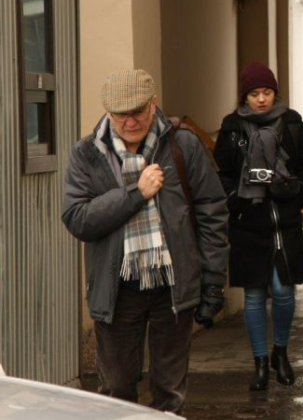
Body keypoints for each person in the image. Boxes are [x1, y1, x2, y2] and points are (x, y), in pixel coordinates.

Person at [62, 69, 229, 413]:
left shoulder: (183, 145)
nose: (130, 121)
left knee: (170, 393)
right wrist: (135, 193)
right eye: (121, 114)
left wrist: (213, 280)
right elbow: (78, 218)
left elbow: (212, 210)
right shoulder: (87, 153)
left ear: (153, 104)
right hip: (117, 289)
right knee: (117, 391)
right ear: (108, 112)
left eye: (138, 111)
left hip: (173, 285)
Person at [212, 62, 303, 392]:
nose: (261, 99)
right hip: (248, 221)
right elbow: (221, 172)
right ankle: (259, 362)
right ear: (244, 96)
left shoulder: (292, 123)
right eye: (254, 93)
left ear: (275, 93)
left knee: (284, 291)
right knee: (255, 295)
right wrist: (235, 200)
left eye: (267, 92)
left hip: (284, 220)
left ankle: (280, 353)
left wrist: (297, 193)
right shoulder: (232, 127)